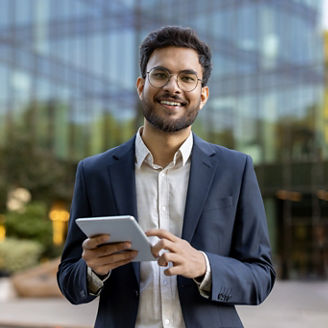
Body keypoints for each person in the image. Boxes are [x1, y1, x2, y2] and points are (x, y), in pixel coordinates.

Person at [57, 26, 275, 328]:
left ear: (203, 95)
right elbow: (70, 280)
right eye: (160, 74)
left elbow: (261, 277)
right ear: (140, 85)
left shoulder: (234, 169)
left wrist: (204, 266)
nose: (173, 87)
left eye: (187, 78)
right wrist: (92, 271)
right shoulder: (95, 172)